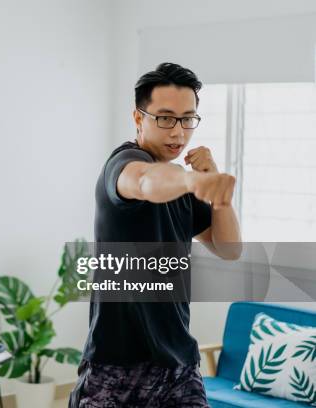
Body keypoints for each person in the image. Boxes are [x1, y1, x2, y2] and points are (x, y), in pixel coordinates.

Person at [69, 63, 241, 407]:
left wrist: (213, 180)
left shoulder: (184, 181)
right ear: (138, 118)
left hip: (178, 362)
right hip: (116, 364)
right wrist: (192, 180)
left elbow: (229, 248)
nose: (178, 131)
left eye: (187, 118)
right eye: (165, 118)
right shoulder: (124, 164)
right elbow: (146, 181)